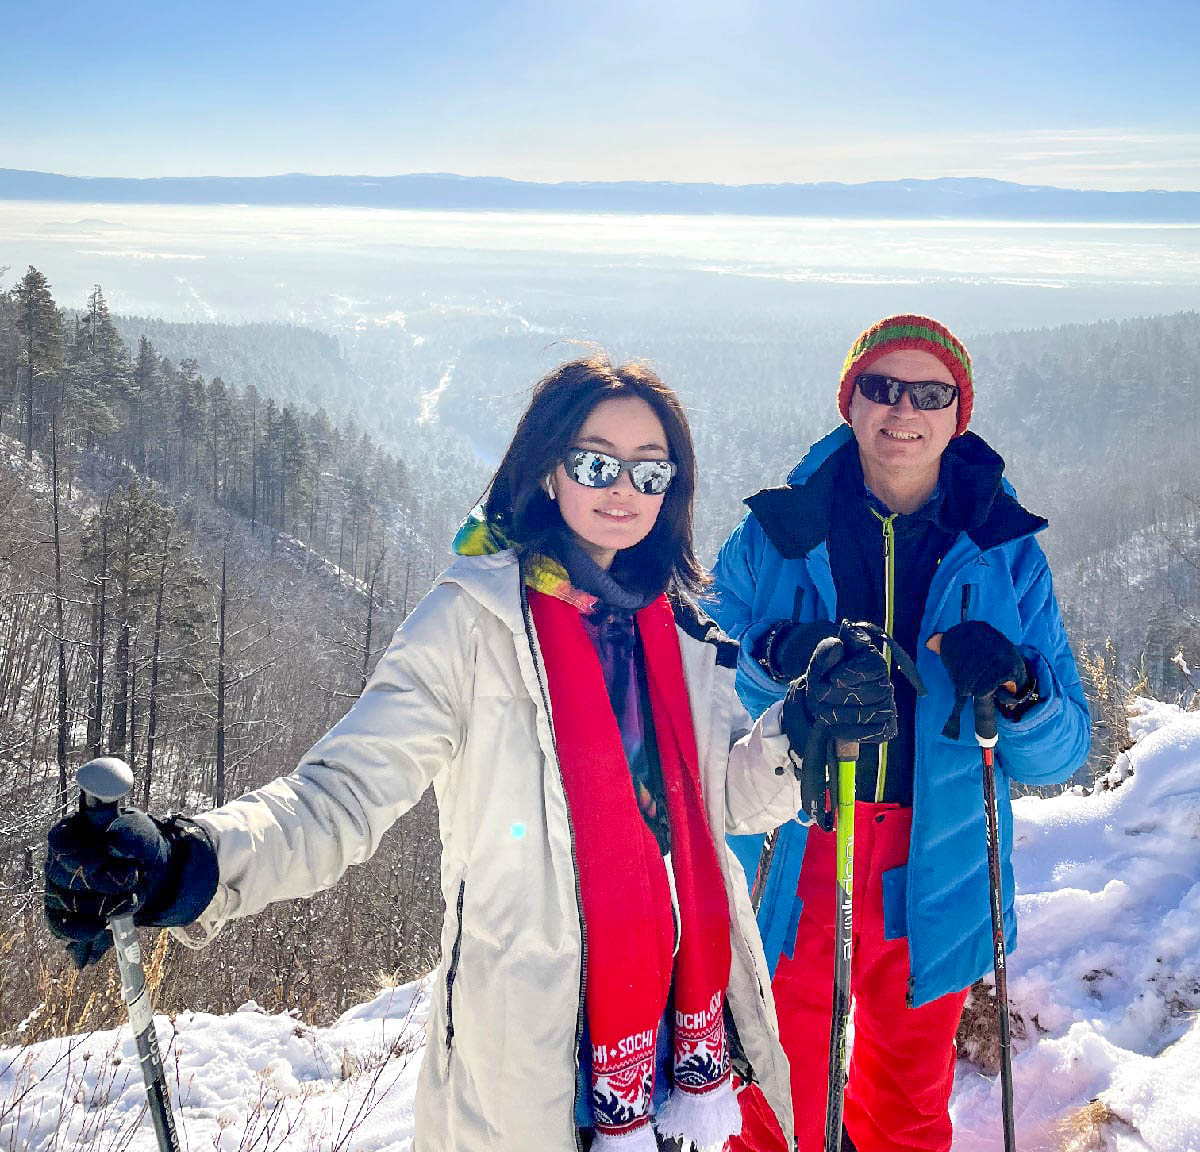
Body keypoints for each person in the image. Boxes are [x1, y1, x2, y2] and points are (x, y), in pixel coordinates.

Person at [45, 354, 804, 1152]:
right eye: (596, 463)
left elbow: (734, 801)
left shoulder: (676, 630)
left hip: (687, 1035)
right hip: (538, 1051)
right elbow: (338, 796)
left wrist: (806, 729)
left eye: (651, 471)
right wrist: (189, 860)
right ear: (549, 470)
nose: (624, 489)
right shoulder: (471, 624)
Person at [708, 315, 1091, 1152]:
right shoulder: (777, 537)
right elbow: (700, 678)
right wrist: (778, 658)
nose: (903, 410)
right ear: (849, 404)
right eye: (880, 388)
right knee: (771, 1099)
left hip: (939, 858)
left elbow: (1063, 754)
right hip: (793, 846)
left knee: (906, 1111)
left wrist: (1022, 689)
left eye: (931, 393)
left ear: (961, 413)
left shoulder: (1006, 554)